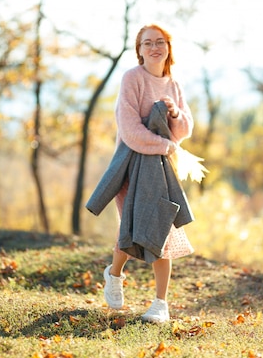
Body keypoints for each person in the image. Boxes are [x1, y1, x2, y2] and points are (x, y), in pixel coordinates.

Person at [103, 24, 195, 323]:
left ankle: (160, 304)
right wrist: (164, 144)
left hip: (161, 166)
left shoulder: (174, 84)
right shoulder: (132, 79)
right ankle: (114, 274)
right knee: (130, 229)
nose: (154, 47)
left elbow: (183, 131)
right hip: (131, 166)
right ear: (139, 50)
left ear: (168, 47)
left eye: (160, 42)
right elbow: (129, 128)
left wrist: (175, 114)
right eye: (148, 43)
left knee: (163, 229)